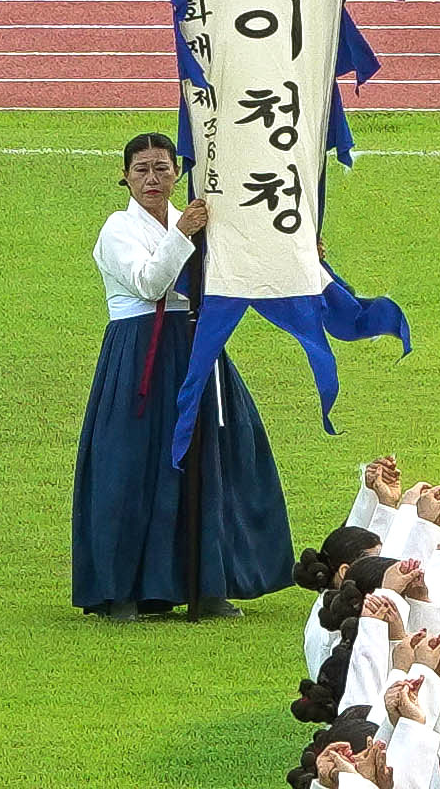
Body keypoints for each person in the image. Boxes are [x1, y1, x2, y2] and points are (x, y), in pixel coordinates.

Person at [72, 131, 295, 618]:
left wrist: (296, 255)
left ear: (177, 172)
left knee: (212, 459)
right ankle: (123, 592)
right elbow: (150, 283)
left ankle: (207, 583)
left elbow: (239, 272)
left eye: (162, 168)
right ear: (125, 178)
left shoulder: (192, 221)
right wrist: (185, 233)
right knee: (132, 466)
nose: (152, 179)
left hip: (196, 346)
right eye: (141, 170)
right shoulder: (118, 229)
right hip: (140, 354)